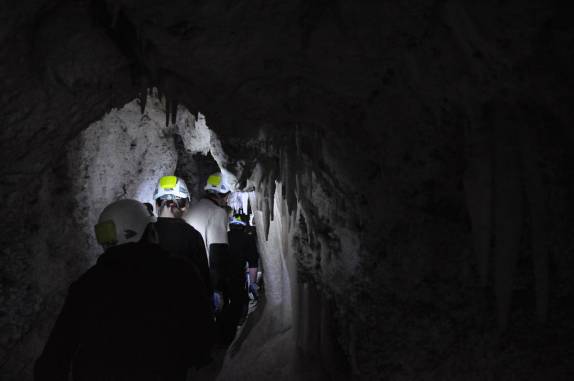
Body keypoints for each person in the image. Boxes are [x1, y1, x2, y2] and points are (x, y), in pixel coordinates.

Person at [34, 199, 214, 381]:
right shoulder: (180, 272)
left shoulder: (87, 285)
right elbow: (201, 336)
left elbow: (54, 358)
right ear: (150, 232)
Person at [185, 172, 231, 340]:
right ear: (221, 193)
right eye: (227, 196)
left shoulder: (194, 209)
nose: (227, 200)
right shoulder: (217, 212)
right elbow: (218, 253)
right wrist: (219, 288)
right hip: (205, 278)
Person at [153, 175, 211, 292]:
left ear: (157, 204)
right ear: (184, 206)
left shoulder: (145, 233)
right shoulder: (192, 236)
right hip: (185, 303)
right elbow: (203, 279)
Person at [225, 213, 260, 340]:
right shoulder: (247, 238)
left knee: (225, 307)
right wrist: (253, 283)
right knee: (238, 304)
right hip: (237, 277)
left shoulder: (224, 236)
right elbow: (253, 263)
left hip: (222, 277)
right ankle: (237, 333)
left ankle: (223, 336)